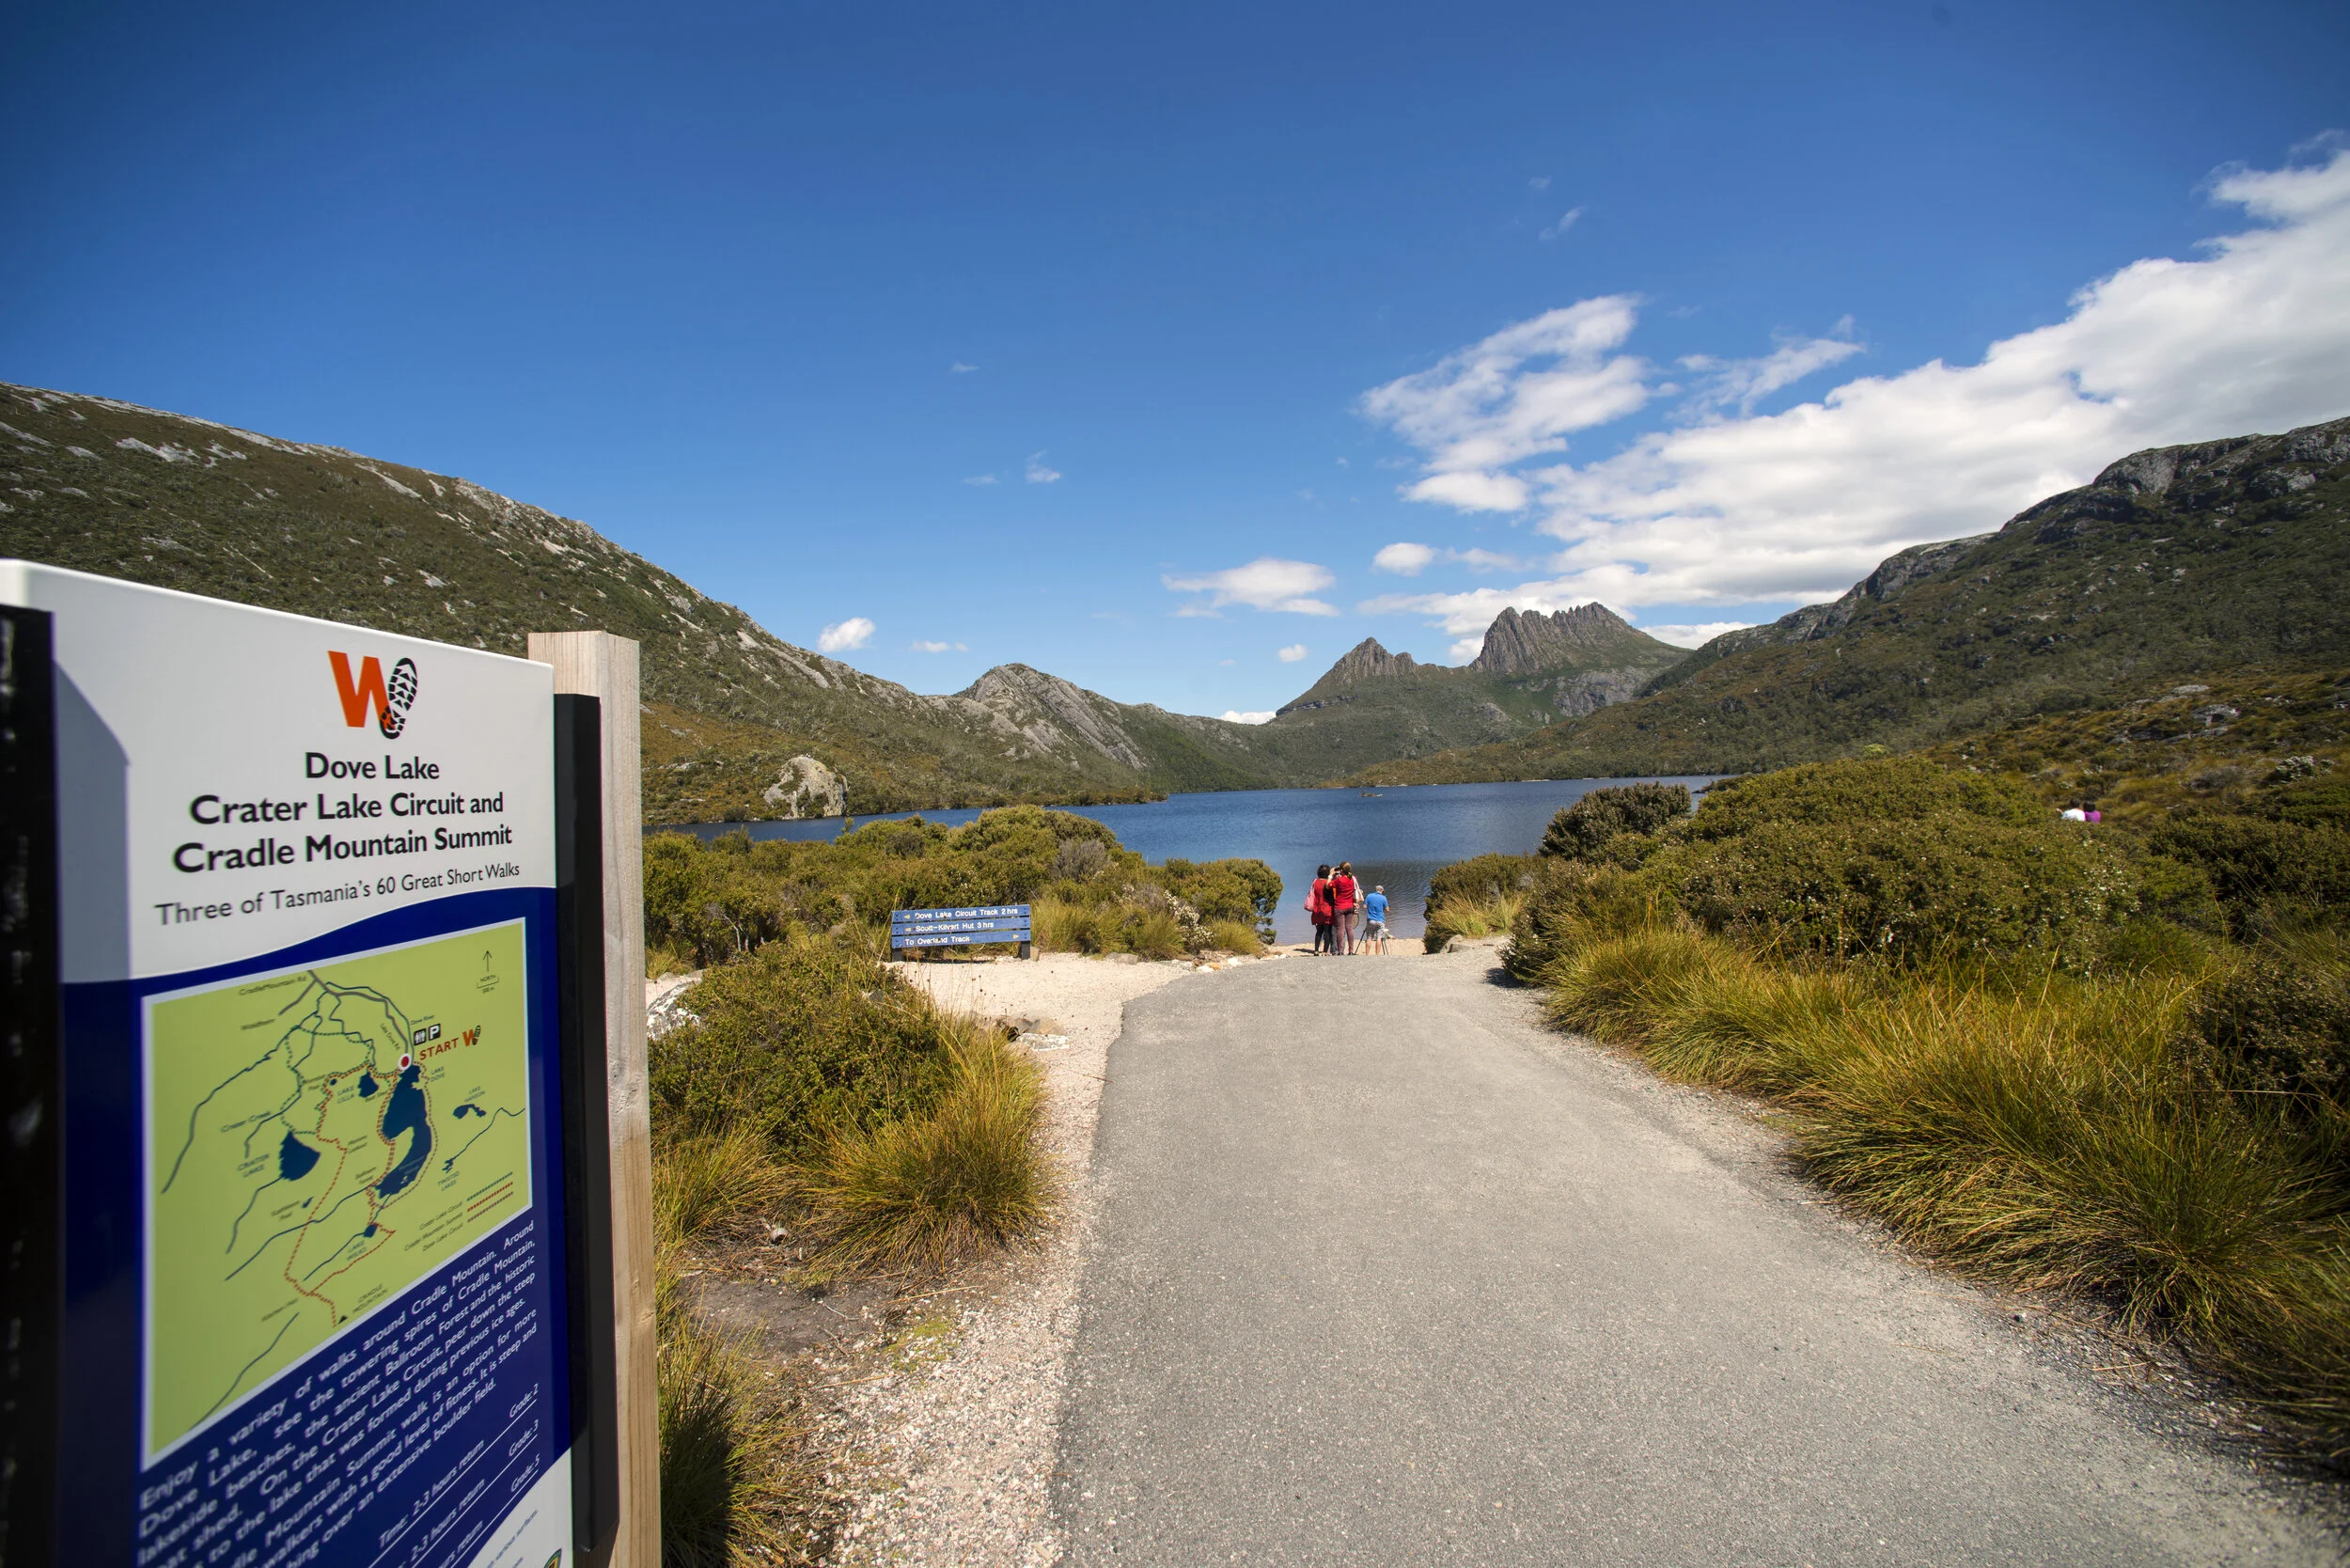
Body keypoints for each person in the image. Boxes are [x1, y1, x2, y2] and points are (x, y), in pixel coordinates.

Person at [1330, 862, 1359, 955]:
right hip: (1350, 906)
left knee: (1340, 929)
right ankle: (1351, 950)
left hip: (1340, 906)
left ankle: (1340, 951)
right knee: (1349, 928)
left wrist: (1331, 875)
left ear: (1341, 870)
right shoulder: (1352, 879)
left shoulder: (1339, 880)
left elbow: (1328, 885)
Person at [1307, 864, 1334, 954]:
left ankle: (1316, 950)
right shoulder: (1328, 883)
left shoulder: (1315, 882)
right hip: (1327, 908)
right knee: (1327, 931)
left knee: (1319, 930)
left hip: (1317, 908)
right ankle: (1325, 951)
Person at [1363, 884, 1389, 955]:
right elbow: (1387, 910)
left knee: (1369, 937)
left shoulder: (1369, 896)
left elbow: (1364, 906)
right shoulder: (1383, 898)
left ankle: (1367, 954)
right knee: (1379, 938)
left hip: (1371, 920)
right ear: (1382, 891)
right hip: (1380, 920)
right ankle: (1377, 955)